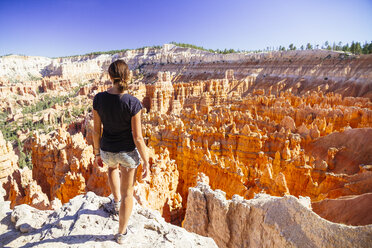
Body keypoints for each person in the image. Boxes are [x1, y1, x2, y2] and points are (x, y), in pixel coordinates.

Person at [92, 59, 149, 244]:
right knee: (128, 193)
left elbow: (96, 130)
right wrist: (146, 161)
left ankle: (115, 201)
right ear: (127, 76)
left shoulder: (99, 98)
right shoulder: (133, 102)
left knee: (111, 169)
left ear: (110, 76)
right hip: (127, 153)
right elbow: (138, 137)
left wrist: (96, 154)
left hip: (107, 151)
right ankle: (122, 233)